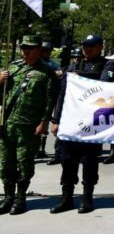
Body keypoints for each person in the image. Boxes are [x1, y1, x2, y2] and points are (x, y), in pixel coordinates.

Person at [49, 33, 108, 214]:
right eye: (85, 46)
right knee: (67, 160)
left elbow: (105, 84)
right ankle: (66, 198)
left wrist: (77, 76)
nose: (87, 49)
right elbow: (62, 95)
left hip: (92, 123)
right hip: (71, 122)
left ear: (100, 47)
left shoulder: (107, 65)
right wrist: (56, 119)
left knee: (89, 162)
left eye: (91, 45)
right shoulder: (74, 66)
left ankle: (87, 198)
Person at [0, 35, 58, 215]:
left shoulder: (46, 72)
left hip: (28, 126)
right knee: (5, 163)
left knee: (24, 163)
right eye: (24, 47)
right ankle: (8, 197)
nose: (26, 51)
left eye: (30, 48)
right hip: (6, 124)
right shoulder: (13, 68)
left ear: (39, 50)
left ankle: (20, 198)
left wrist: (44, 122)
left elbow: (50, 100)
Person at [37, 41, 63, 163]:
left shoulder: (53, 64)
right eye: (44, 50)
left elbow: (61, 73)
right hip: (40, 97)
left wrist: (58, 73)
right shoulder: (38, 63)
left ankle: (49, 150)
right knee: (40, 122)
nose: (46, 53)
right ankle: (38, 148)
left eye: (48, 51)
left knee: (52, 122)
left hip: (53, 96)